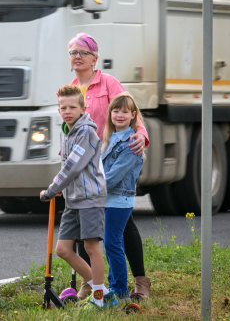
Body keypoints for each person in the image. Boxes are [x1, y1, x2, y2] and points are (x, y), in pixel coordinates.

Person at [67, 32, 151, 300]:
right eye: (73, 53)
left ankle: (140, 282)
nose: (77, 57)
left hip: (112, 158)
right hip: (85, 164)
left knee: (123, 226)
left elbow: (128, 109)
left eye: (83, 52)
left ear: (94, 58)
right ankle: (91, 281)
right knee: (84, 224)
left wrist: (141, 134)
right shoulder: (71, 87)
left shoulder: (108, 83)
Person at [39, 85, 116, 309]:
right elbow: (67, 165)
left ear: (83, 109)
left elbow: (73, 166)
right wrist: (60, 187)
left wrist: (52, 189)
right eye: (63, 107)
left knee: (91, 248)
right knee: (63, 249)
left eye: (73, 106)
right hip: (73, 199)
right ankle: (103, 292)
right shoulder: (68, 131)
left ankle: (100, 299)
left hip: (90, 198)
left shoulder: (87, 133)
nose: (67, 111)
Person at [101, 92, 144, 299]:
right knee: (111, 243)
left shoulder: (131, 143)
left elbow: (113, 177)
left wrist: (88, 188)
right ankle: (114, 285)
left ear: (133, 115)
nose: (119, 115)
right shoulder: (110, 139)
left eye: (125, 112)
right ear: (110, 114)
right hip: (107, 199)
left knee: (112, 242)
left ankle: (119, 290)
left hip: (119, 200)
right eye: (115, 111)